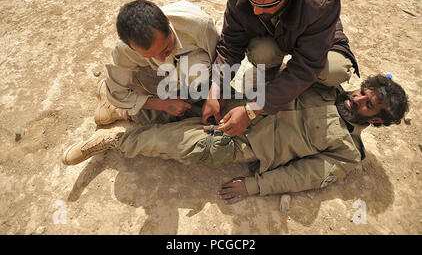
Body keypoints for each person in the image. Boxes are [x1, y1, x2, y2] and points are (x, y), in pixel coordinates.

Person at [62, 74, 409, 204]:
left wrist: (255, 187)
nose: (359, 99)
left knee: (185, 144)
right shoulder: (326, 82)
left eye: (369, 104)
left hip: (243, 143)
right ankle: (125, 110)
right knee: (187, 99)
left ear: (377, 119)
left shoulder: (349, 153)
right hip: (243, 102)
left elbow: (304, 176)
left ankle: (116, 141)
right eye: (365, 92)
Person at [201, 0, 360, 137]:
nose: (256, 11)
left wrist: (251, 111)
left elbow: (306, 65)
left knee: (334, 70)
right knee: (262, 52)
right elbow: (230, 45)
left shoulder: (321, 1)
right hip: (273, 36)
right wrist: (216, 88)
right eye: (253, 2)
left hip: (316, 38)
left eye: (266, 5)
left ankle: (296, 89)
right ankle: (273, 78)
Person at [94, 0, 219, 127]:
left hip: (197, 79)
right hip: (153, 82)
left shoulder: (200, 25)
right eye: (151, 56)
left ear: (167, 22)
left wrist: (214, 95)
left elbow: (222, 61)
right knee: (168, 121)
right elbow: (118, 93)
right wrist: (163, 104)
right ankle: (117, 110)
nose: (161, 59)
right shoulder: (123, 50)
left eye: (165, 49)